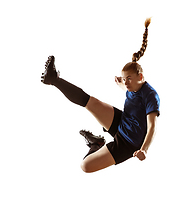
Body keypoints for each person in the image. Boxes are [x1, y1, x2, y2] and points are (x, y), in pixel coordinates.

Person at [41, 18, 160, 173]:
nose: (127, 83)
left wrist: (144, 150)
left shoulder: (151, 96)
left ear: (141, 78)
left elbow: (152, 127)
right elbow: (131, 92)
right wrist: (121, 84)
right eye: (124, 79)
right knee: (91, 102)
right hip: (122, 122)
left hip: (129, 143)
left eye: (129, 79)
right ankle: (53, 79)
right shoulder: (131, 87)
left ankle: (96, 144)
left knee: (86, 166)